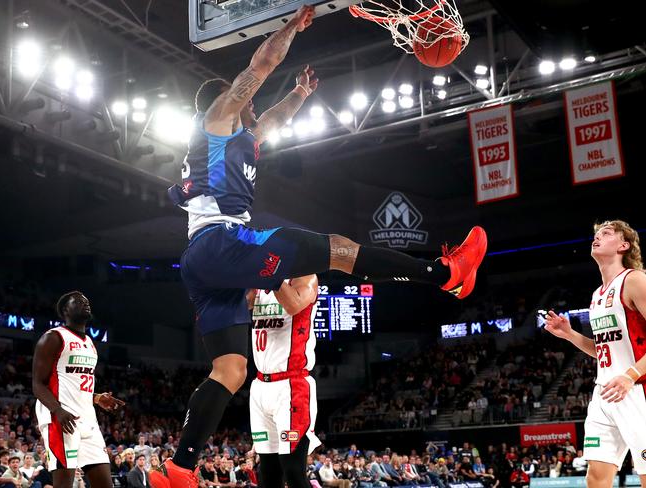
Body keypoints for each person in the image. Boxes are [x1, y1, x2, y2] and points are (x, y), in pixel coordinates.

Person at [151, 4, 487, 488]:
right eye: (242, 101)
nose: (250, 108)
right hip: (223, 239)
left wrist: (299, 96)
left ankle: (179, 469)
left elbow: (271, 118)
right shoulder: (218, 118)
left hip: (200, 260)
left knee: (229, 369)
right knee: (337, 249)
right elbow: (258, 67)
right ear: (225, 101)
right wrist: (291, 25)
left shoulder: (241, 138)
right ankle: (444, 274)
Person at [544, 220, 646, 488]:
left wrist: (631, 374)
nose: (597, 237)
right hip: (605, 393)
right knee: (597, 477)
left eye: (607, 233)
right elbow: (604, 349)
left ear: (623, 246)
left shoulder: (635, 280)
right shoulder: (597, 295)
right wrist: (570, 335)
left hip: (638, 390)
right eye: (597, 234)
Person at [32, 291, 125, 488]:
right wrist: (57, 410)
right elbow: (37, 384)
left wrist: (97, 397)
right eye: (80, 301)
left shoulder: (90, 342)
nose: (86, 303)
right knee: (64, 484)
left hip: (87, 418)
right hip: (61, 418)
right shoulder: (53, 337)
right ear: (65, 310)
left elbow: (73, 385)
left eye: (87, 301)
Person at [246, 275, 320, 488]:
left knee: (293, 470)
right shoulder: (258, 280)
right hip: (260, 386)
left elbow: (293, 305)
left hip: (291, 385)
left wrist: (269, 272)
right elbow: (240, 309)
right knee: (268, 471)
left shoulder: (306, 277)